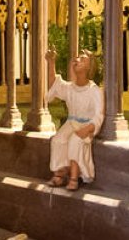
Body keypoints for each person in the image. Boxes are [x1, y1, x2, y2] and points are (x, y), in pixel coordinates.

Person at [44, 48, 103, 190]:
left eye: (82, 59)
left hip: (86, 125)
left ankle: (74, 177)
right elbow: (54, 85)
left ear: (89, 66)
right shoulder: (71, 88)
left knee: (75, 141)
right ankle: (60, 173)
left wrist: (88, 128)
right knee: (58, 140)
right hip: (71, 122)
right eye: (76, 58)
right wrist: (51, 62)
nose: (77, 60)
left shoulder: (94, 90)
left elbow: (99, 114)